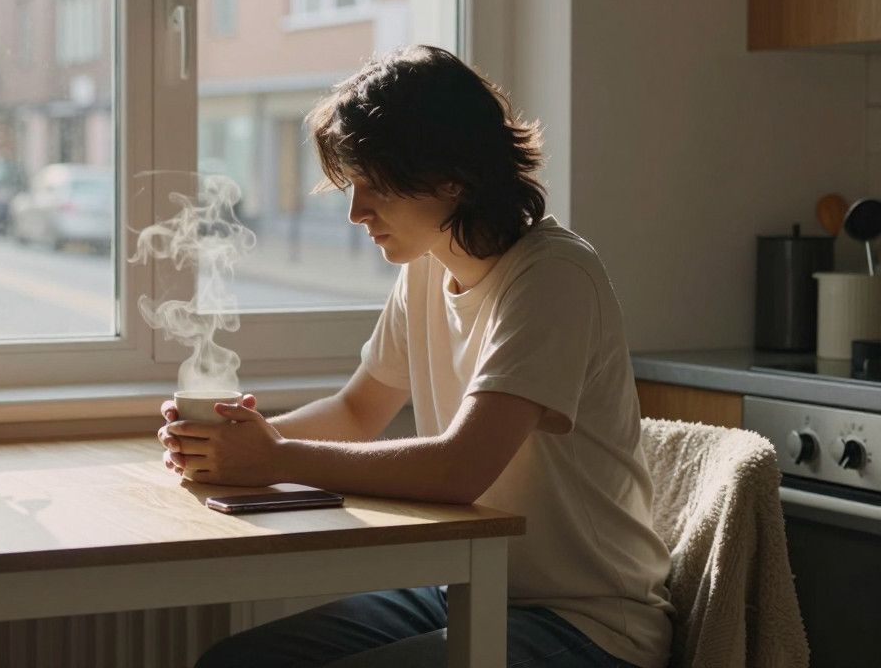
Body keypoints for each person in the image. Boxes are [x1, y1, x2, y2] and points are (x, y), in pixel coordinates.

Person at [157, 45, 673, 668]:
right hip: (466, 585)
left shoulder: (554, 277)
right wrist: (234, 444)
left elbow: (461, 467)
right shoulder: (428, 270)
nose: (355, 211)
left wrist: (275, 456)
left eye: (375, 184)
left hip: (588, 622)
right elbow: (356, 410)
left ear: (451, 175)